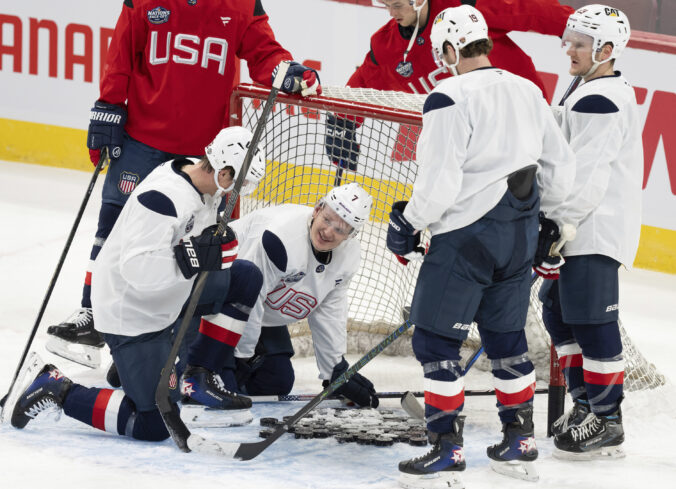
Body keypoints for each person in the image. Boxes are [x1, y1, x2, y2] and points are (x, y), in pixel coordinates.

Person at [45, 0, 322, 369]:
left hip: (207, 152)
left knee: (195, 246)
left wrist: (287, 71)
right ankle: (93, 315)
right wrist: (109, 104)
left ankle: (163, 337)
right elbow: (123, 54)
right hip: (142, 137)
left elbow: (264, 53)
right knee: (112, 225)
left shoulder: (241, 4)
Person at [385, 5, 576, 487]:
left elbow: (440, 181)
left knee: (435, 340)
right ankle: (520, 442)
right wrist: (548, 221)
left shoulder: (448, 95)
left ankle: (445, 448)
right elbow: (560, 165)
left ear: (450, 49)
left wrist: (408, 221)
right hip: (520, 232)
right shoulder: (528, 89)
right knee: (506, 339)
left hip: (467, 235)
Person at [10, 126, 267, 442]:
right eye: (238, 185)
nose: (236, 193)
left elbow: (195, 245)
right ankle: (57, 387)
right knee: (156, 424)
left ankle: (196, 376)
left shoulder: (199, 176)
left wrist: (215, 248)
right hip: (130, 311)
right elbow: (139, 271)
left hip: (167, 297)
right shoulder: (162, 199)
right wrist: (195, 257)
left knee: (244, 277)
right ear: (224, 173)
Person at [538, 4, 640, 460]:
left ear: (607, 48)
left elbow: (587, 177)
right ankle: (585, 403)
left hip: (592, 228)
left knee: (592, 318)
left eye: (580, 43)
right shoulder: (585, 85)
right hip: (578, 225)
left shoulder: (603, 97)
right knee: (557, 311)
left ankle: (608, 418)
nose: (570, 49)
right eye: (570, 39)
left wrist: (557, 224)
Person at [179, 183, 380, 409]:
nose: (328, 232)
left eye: (340, 230)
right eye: (327, 220)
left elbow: (330, 312)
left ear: (351, 235)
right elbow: (249, 299)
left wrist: (335, 369)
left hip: (259, 317)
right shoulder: (282, 237)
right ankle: (179, 355)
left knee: (276, 381)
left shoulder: (348, 258)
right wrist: (241, 357)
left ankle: (229, 374)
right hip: (215, 309)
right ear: (317, 209)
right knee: (211, 392)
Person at [325, 0, 574, 171]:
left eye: (397, 5)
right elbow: (364, 80)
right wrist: (341, 122)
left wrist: (573, 26)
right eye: (386, 5)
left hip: (521, 122)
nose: (391, 12)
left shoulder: (463, 8)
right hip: (466, 148)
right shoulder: (385, 44)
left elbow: (526, 10)